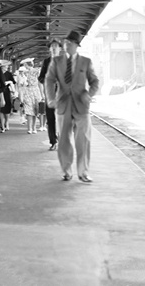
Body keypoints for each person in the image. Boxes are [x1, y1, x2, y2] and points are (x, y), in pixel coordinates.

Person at [45, 30, 99, 182]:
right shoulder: (56, 62)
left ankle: (83, 172)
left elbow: (95, 81)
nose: (65, 46)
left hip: (82, 106)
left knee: (83, 140)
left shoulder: (86, 62)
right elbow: (49, 80)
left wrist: (89, 94)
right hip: (63, 105)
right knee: (63, 140)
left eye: (69, 43)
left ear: (76, 46)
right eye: (65, 43)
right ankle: (66, 171)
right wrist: (51, 98)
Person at [39, 39, 62, 151]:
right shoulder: (46, 61)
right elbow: (40, 77)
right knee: (50, 118)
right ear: (49, 49)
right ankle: (53, 141)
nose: (53, 48)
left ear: (60, 48)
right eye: (52, 46)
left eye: (56, 46)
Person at [18, 57, 42, 134]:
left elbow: (39, 82)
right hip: (30, 91)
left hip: (33, 91)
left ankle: (32, 128)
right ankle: (31, 128)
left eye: (25, 64)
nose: (25, 66)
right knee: (29, 110)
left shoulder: (36, 71)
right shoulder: (24, 73)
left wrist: (42, 94)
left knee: (34, 110)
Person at [0, 60, 15, 132]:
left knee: (7, 108)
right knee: (0, 108)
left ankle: (6, 122)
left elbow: (13, 82)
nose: (7, 67)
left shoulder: (9, 74)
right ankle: (2, 124)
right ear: (2, 67)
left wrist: (9, 82)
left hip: (6, 92)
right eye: (6, 66)